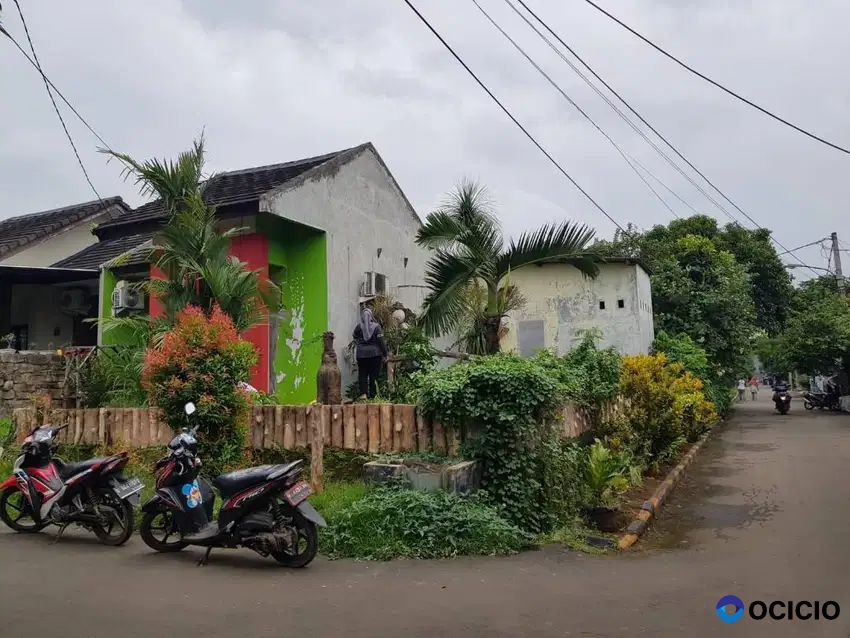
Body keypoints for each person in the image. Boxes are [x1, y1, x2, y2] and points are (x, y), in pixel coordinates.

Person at [353, 307, 387, 399]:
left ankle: (363, 394)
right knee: (374, 375)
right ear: (371, 316)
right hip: (375, 355)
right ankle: (373, 396)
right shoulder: (376, 327)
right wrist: (385, 354)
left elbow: (354, 336)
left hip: (361, 355)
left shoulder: (359, 327)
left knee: (362, 374)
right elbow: (381, 341)